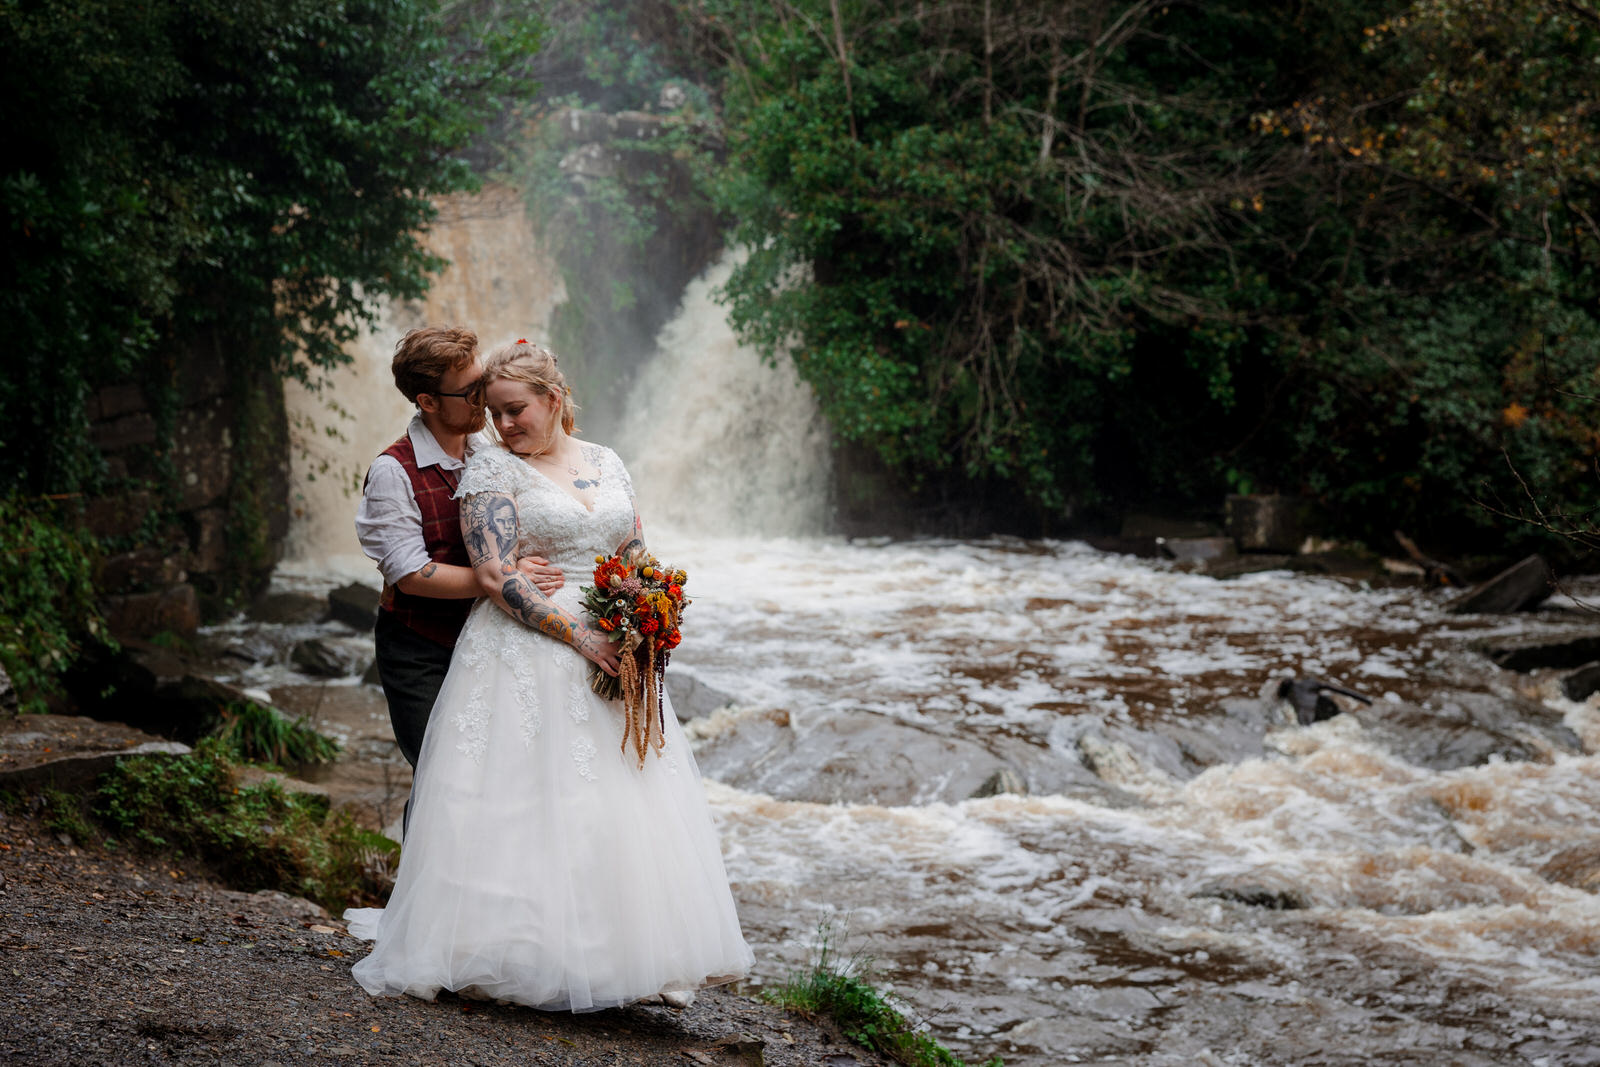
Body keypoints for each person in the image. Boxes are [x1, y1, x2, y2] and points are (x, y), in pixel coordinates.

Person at [345, 340, 753, 1011]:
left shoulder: (607, 461)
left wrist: (651, 611)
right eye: (491, 410)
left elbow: (631, 548)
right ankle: (519, 951)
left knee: (619, 801)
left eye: (513, 409)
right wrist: (583, 638)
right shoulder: (488, 471)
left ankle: (630, 957)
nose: (501, 424)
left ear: (554, 400)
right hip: (526, 652)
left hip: (611, 643)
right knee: (526, 802)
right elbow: (497, 576)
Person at [355, 326, 562, 833]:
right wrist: (501, 578)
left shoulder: (492, 450)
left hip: (493, 640)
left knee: (501, 777)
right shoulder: (393, 471)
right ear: (427, 400)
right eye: (470, 392)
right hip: (420, 650)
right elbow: (410, 574)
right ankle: (419, 903)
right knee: (442, 780)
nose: (483, 398)